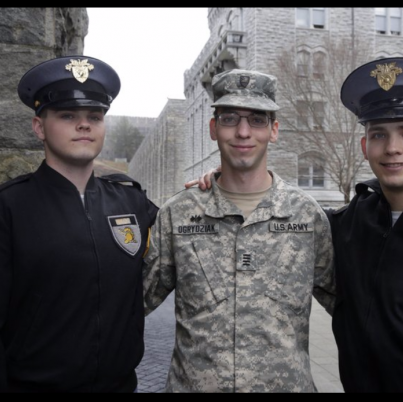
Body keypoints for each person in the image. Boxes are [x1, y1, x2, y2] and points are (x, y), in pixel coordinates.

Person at [188, 57, 403, 392]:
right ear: (365, 146)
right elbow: (281, 218)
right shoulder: (344, 226)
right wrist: (227, 181)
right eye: (379, 135)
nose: (393, 148)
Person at [0, 55, 158, 392]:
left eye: (95, 116)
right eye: (67, 115)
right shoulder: (3, 211)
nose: (84, 125)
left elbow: (188, 229)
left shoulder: (132, 203)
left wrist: (215, 183)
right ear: (39, 127)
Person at [143, 69, 336, 392]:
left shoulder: (307, 216)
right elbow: (127, 304)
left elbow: (352, 310)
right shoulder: (179, 215)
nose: (243, 132)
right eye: (230, 118)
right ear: (213, 128)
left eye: (257, 120)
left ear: (274, 131)